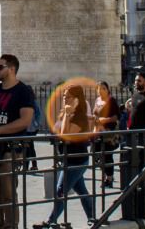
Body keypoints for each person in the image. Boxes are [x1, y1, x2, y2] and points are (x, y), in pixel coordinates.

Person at [0, 55, 36, 229]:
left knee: (8, 192)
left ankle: (11, 226)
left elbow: (25, 120)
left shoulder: (23, 91)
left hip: (9, 149)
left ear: (11, 69)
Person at [38, 83, 95, 228]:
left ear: (77, 99)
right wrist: (66, 115)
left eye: (68, 97)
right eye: (64, 96)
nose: (65, 99)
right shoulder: (67, 113)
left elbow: (65, 135)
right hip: (69, 158)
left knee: (60, 190)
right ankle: (92, 217)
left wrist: (68, 115)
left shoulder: (79, 116)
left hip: (77, 159)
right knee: (81, 190)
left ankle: (51, 220)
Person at [93, 81, 120, 188]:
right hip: (98, 131)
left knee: (107, 155)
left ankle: (108, 178)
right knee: (97, 155)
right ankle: (108, 175)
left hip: (109, 132)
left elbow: (117, 116)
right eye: (99, 88)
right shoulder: (97, 100)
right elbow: (95, 115)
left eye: (103, 88)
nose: (101, 90)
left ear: (108, 89)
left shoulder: (111, 100)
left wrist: (105, 120)